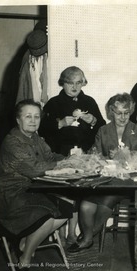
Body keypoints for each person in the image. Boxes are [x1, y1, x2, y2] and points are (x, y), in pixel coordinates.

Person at [0, 99, 72, 271]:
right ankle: (25, 259)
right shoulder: (12, 141)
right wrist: (62, 164)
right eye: (28, 116)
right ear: (18, 119)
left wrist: (70, 159)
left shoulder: (35, 137)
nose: (33, 120)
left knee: (68, 211)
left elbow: (50, 156)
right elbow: (35, 169)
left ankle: (23, 243)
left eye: (36, 116)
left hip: (32, 191)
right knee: (46, 218)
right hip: (11, 195)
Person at [68, 93, 137, 253]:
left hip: (128, 181)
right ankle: (89, 236)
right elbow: (95, 155)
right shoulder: (103, 130)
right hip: (106, 179)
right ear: (111, 112)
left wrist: (128, 156)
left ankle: (87, 238)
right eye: (119, 113)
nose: (123, 117)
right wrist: (106, 159)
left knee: (107, 201)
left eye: (126, 113)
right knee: (86, 204)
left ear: (131, 111)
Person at [38, 66, 106, 246]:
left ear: (83, 83)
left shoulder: (89, 101)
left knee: (79, 193)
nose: (74, 87)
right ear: (63, 82)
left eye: (79, 82)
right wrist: (59, 123)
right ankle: (60, 234)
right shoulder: (53, 103)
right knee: (62, 193)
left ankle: (71, 234)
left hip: (83, 154)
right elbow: (41, 129)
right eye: (70, 82)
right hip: (60, 154)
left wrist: (93, 122)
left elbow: (102, 128)